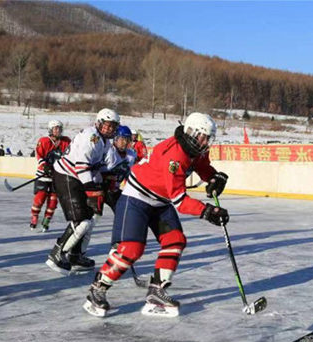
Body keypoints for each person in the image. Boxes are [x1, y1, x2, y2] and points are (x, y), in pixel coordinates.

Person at [83, 112, 230, 318]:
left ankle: (156, 291)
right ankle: (97, 288)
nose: (206, 142)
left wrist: (213, 176)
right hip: (137, 197)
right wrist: (207, 211)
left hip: (159, 200)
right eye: (202, 136)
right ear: (191, 133)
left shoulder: (195, 148)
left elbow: (202, 166)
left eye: (208, 138)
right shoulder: (175, 156)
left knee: (176, 240)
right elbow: (179, 200)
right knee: (132, 249)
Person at [46, 108, 120, 275]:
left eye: (113, 126)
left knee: (90, 220)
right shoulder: (91, 137)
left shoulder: (105, 143)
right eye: (107, 125)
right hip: (67, 176)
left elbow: (103, 168)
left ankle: (75, 255)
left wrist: (106, 182)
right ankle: (57, 254)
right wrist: (92, 189)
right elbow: (82, 166)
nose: (109, 129)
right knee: (81, 221)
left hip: (77, 178)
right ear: (99, 123)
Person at [30, 120, 71, 232]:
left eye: (59, 128)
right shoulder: (43, 141)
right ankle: (34, 216)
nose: (58, 130)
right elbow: (39, 155)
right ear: (50, 130)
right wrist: (44, 166)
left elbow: (69, 156)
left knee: (53, 201)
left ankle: (47, 219)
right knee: (40, 197)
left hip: (57, 176)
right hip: (43, 175)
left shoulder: (66, 142)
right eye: (55, 128)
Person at [100, 125, 137, 213]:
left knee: (125, 212)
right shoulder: (109, 151)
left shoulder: (131, 155)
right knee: (90, 218)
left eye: (127, 140)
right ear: (115, 139)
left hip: (114, 190)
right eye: (122, 139)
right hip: (99, 188)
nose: (125, 142)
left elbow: (130, 176)